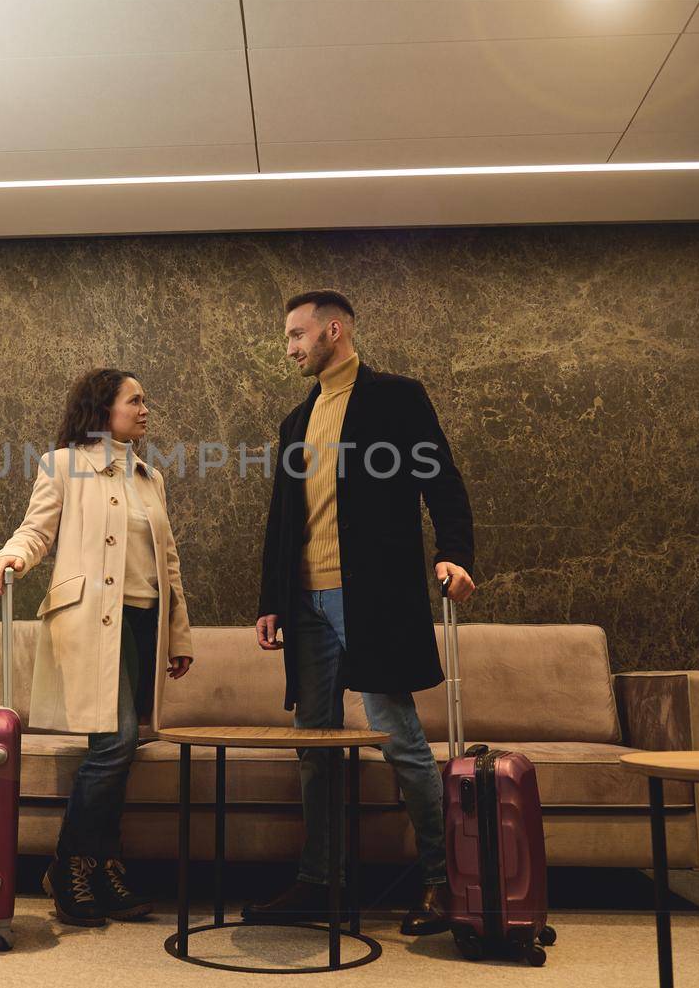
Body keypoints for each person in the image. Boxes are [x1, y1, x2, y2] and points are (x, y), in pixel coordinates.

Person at [243, 289, 477, 935]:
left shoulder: (397, 397)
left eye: (297, 334)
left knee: (398, 736)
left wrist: (456, 552)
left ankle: (445, 880)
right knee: (314, 747)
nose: (289, 347)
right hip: (307, 606)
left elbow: (443, 480)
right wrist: (270, 600)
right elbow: (282, 519)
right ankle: (319, 882)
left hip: (372, 599)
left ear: (334, 331)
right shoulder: (297, 421)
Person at [0, 368, 194, 927]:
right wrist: (12, 556)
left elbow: (167, 561)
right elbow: (37, 530)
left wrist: (178, 633)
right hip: (89, 624)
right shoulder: (63, 464)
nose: (146, 409)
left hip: (142, 623)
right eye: (136, 401)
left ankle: (100, 866)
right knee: (116, 741)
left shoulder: (150, 477)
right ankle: (72, 864)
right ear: (105, 408)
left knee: (120, 746)